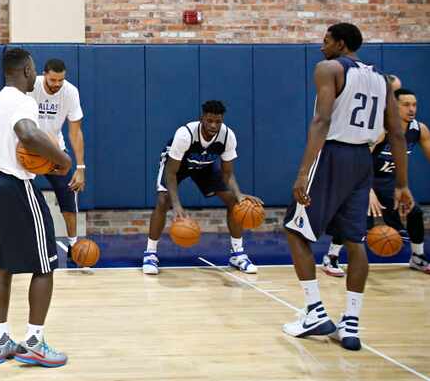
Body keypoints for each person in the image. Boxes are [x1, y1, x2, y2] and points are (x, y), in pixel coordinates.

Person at [283, 23, 414, 351]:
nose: (321, 46)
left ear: (340, 44)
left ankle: (314, 311)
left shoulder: (328, 68)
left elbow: (322, 121)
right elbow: (396, 133)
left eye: (326, 40)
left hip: (332, 154)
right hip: (362, 161)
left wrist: (303, 172)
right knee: (355, 241)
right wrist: (402, 184)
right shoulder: (382, 80)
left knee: (295, 230)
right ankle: (351, 324)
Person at [0, 47, 72, 367]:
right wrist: (62, 159)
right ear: (28, 70)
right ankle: (34, 341)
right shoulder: (23, 101)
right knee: (45, 264)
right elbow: (28, 134)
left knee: (2, 265)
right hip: (15, 186)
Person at [143, 100, 262, 275]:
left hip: (205, 165)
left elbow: (227, 173)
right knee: (163, 200)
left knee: (234, 202)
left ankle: (237, 254)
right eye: (209, 121)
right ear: (202, 119)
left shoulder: (228, 136)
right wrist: (176, 205)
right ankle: (150, 254)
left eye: (218, 121)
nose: (214, 125)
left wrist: (239, 195)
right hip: (178, 165)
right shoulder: (185, 135)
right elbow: (171, 173)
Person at [321, 88, 429, 276]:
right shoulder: (380, 130)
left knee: (415, 212)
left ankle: (417, 257)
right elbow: (358, 161)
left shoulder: (419, 130)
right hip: (361, 179)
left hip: (389, 182)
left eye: (414, 105)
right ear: (393, 107)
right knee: (356, 216)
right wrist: (368, 191)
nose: (411, 109)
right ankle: (331, 257)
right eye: (406, 105)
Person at [28, 58, 86, 249]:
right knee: (19, 194)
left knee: (68, 192)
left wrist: (80, 168)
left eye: (60, 80)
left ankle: (73, 245)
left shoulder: (70, 92)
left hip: (54, 150)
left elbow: (75, 132)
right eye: (53, 80)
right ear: (44, 74)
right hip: (27, 149)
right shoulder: (30, 86)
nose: (57, 84)